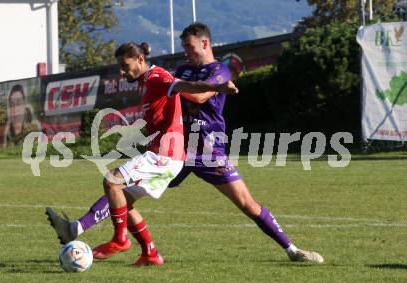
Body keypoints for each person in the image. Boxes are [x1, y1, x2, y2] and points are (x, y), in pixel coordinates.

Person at [47, 23, 323, 264]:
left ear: (205, 43)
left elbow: (200, 98)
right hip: (175, 150)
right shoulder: (181, 70)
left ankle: (292, 249)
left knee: (247, 204)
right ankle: (88, 231)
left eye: (190, 47)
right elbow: (170, 91)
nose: (187, 53)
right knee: (122, 193)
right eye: (184, 48)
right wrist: (170, 87)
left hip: (207, 151)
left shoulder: (220, 71)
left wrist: (178, 85)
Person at [47, 41, 238, 267]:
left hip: (165, 156)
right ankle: (151, 254)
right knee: (121, 201)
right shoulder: (145, 81)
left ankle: (120, 239)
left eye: (124, 65)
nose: (121, 71)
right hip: (165, 156)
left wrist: (217, 87)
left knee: (111, 182)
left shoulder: (157, 77)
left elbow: (184, 86)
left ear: (139, 60)